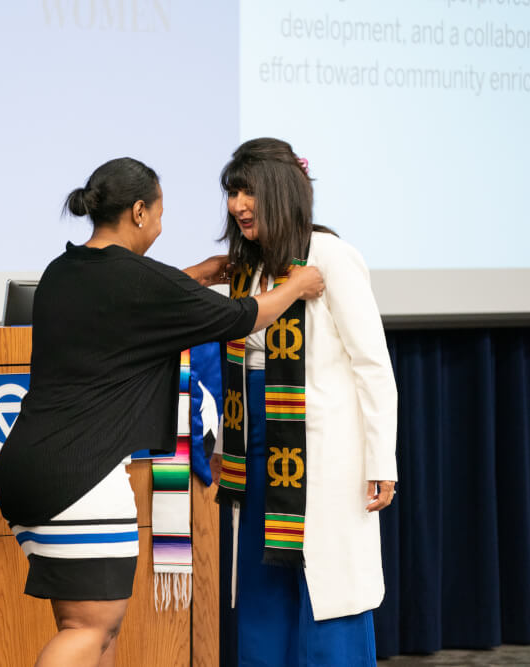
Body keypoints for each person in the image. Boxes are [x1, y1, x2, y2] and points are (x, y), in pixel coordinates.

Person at [0, 157, 325, 667]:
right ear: (140, 211)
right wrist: (296, 287)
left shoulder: (62, 271)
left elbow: (128, 299)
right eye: (162, 213)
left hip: (24, 471)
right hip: (79, 476)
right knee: (88, 628)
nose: (163, 226)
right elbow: (244, 316)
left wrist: (199, 274)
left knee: (94, 632)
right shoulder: (137, 280)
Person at [211, 137, 397, 666]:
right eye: (231, 193)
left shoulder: (330, 255)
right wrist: (229, 443)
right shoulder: (245, 267)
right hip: (258, 452)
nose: (237, 205)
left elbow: (372, 365)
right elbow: (240, 365)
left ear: (278, 191)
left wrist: (381, 459)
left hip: (321, 454)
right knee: (264, 586)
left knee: (327, 590)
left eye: (246, 191)